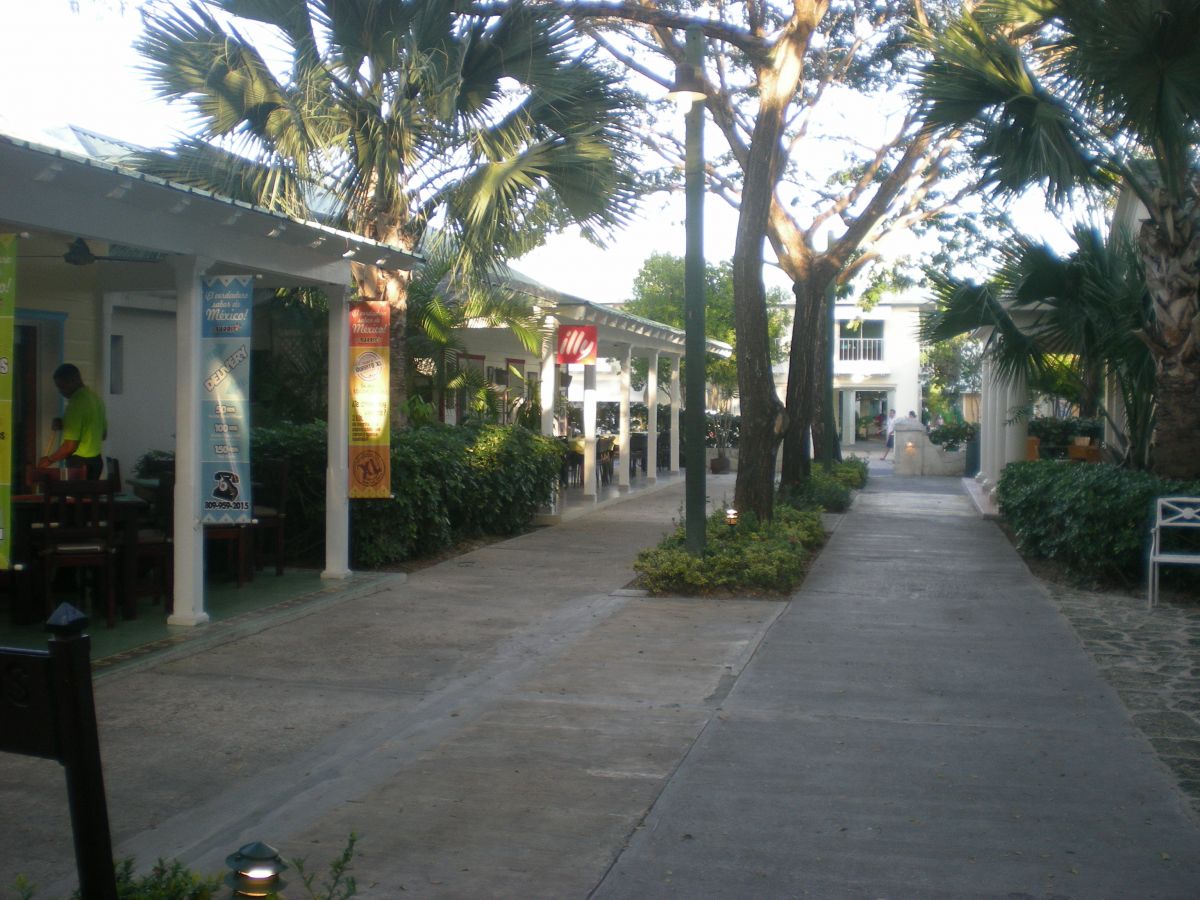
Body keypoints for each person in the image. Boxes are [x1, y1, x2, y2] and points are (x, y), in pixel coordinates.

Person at [38, 363, 107, 479]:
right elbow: (103, 434)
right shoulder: (96, 399)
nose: (60, 391)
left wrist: (49, 460)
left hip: (79, 465)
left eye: (62, 386)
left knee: (73, 492)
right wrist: (65, 423)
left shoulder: (75, 404)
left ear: (74, 380)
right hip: (96, 463)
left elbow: (70, 447)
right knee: (91, 491)